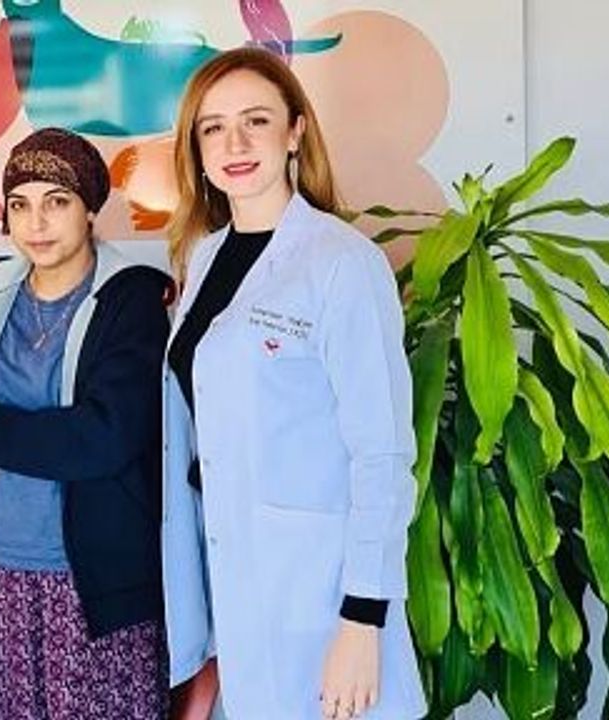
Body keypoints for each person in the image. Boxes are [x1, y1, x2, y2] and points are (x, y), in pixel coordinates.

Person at [160, 47, 427, 719]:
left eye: (256, 120)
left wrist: (363, 619)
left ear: (295, 132)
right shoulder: (204, 258)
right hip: (239, 581)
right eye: (214, 128)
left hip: (326, 594)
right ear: (196, 148)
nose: (235, 144)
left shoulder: (342, 263)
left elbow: (382, 453)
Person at [0, 127, 171, 718]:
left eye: (57, 201)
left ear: (90, 208)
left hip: (94, 587)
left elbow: (102, 438)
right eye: (19, 204)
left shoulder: (131, 300)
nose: (36, 223)